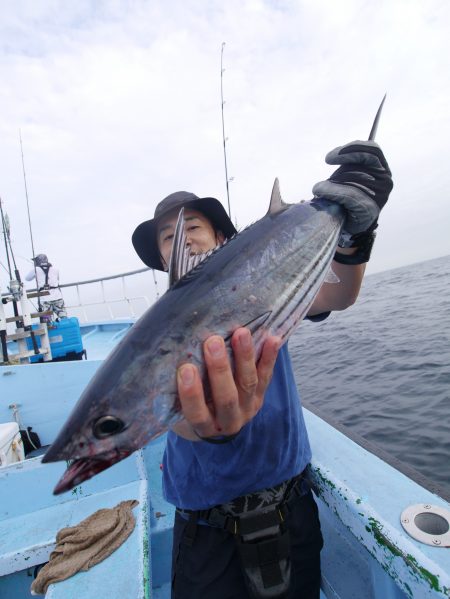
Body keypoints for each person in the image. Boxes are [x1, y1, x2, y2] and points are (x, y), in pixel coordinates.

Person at [132, 140, 393, 599]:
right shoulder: (151, 338)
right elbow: (161, 416)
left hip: (290, 506)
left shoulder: (266, 293)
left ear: (221, 239)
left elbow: (338, 295)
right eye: (170, 237)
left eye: (193, 227)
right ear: (160, 258)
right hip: (204, 524)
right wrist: (208, 428)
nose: (184, 238)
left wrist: (356, 235)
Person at [25, 254, 67, 322]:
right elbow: (57, 279)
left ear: (38, 261)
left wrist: (35, 270)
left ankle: (50, 329)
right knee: (63, 316)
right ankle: (66, 328)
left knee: (47, 319)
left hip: (44, 298)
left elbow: (27, 278)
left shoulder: (36, 270)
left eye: (35, 261)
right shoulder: (55, 269)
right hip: (57, 296)